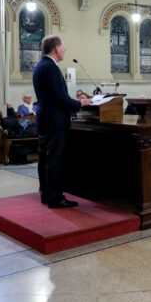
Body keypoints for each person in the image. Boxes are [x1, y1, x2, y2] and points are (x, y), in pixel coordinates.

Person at [33, 35, 92, 208]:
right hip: (55, 121)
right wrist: (80, 104)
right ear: (56, 49)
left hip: (45, 119)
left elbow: (53, 95)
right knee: (54, 161)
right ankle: (55, 197)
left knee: (45, 159)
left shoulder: (40, 65)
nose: (64, 50)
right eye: (63, 48)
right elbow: (59, 96)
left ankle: (46, 193)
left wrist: (73, 102)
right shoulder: (50, 67)